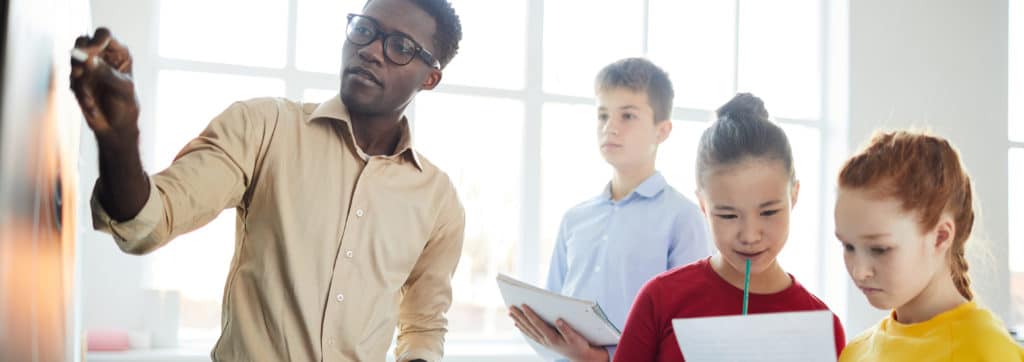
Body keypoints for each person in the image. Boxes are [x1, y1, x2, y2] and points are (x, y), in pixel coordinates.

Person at [68, 0, 464, 360]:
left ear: (429, 78)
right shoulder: (263, 127)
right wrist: (120, 139)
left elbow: (423, 327)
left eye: (400, 47)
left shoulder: (438, 200)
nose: (370, 50)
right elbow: (150, 221)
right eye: (364, 30)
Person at [613, 93, 845, 361]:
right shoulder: (661, 299)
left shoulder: (821, 325)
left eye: (768, 212)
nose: (750, 236)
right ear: (702, 204)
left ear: (794, 195)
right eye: (727, 215)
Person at [509, 58, 710, 361]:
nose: (610, 127)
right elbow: (552, 313)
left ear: (663, 130)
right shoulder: (575, 219)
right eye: (603, 115)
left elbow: (685, 334)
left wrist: (602, 359)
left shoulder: (683, 218)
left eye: (627, 115)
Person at [835, 130, 1024, 361]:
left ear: (941, 237)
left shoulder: (986, 352)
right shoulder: (855, 352)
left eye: (879, 249)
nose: (859, 271)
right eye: (848, 246)